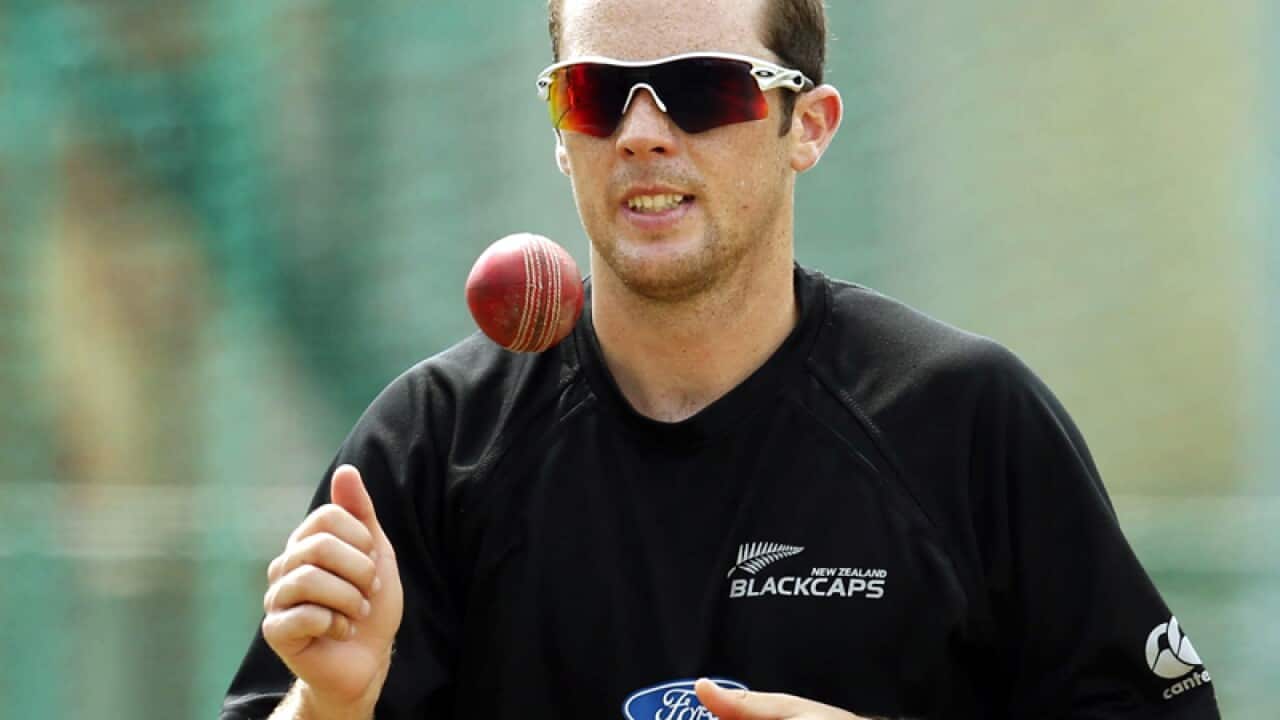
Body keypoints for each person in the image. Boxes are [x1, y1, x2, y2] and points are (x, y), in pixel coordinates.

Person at [222, 0, 1222, 718]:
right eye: (595, 94)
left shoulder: (965, 420)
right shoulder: (432, 444)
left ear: (808, 127)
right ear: (559, 137)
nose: (644, 132)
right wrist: (328, 703)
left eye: (704, 90)